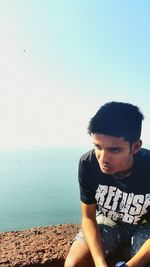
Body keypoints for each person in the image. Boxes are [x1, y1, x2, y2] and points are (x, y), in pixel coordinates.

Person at [65, 101, 150, 267]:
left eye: (114, 149)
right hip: (108, 221)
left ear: (135, 146)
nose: (103, 159)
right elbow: (88, 217)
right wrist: (99, 263)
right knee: (73, 264)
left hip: (145, 227)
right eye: (98, 146)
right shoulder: (88, 163)